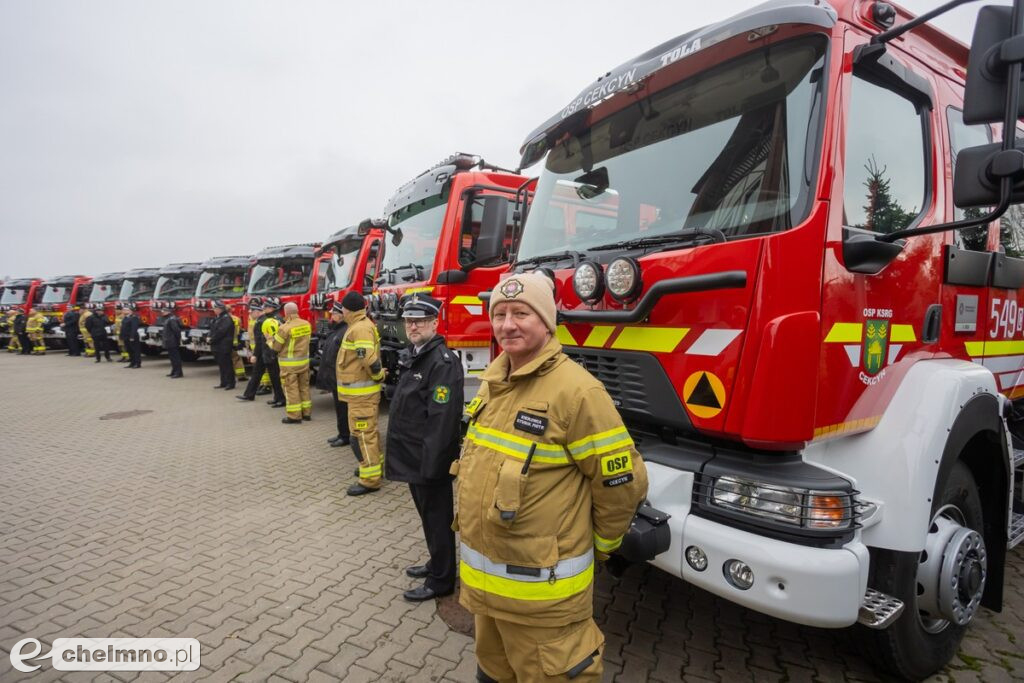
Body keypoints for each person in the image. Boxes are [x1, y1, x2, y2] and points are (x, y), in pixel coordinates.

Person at [455, 272, 649, 683]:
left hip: (545, 603)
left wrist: (601, 544)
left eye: (521, 313)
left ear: (547, 322)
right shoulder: (493, 381)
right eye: (501, 313)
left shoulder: (578, 393)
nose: (508, 324)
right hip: (487, 598)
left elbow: (622, 484)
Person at [385, 294, 463, 602]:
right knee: (427, 516)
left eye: (419, 321)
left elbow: (442, 420)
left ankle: (442, 579)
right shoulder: (416, 354)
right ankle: (436, 562)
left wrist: (432, 468)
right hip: (414, 457)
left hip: (429, 462)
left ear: (434, 322)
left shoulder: (442, 363)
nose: (412, 326)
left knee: (437, 518)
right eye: (408, 321)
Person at [336, 291, 385, 495]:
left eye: (343, 308)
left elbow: (368, 359)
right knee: (365, 434)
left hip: (362, 396)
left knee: (363, 435)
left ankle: (370, 479)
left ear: (348, 309)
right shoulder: (359, 326)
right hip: (359, 396)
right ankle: (372, 466)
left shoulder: (360, 328)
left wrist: (379, 375)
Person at [268, 301, 312, 423]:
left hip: (289, 367)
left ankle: (294, 416)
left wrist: (269, 339)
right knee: (304, 388)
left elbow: (276, 347)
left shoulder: (284, 328)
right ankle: (306, 413)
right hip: (304, 363)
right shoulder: (306, 324)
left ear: (286, 313)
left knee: (291, 390)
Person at [315, 300, 350, 447]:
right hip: (334, 376)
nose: (331, 316)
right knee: (339, 408)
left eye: (334, 313)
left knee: (343, 409)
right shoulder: (336, 330)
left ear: (342, 315)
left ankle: (345, 436)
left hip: (340, 377)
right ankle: (341, 433)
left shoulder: (345, 331)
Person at [237, 298, 271, 401]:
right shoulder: (262, 320)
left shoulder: (260, 322)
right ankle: (249, 394)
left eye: (251, 311)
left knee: (259, 374)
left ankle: (250, 395)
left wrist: (255, 355)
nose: (250, 313)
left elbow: (260, 341)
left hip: (263, 352)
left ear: (257, 312)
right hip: (264, 351)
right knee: (259, 374)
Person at [259, 298, 286, 407]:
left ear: (271, 308)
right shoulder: (273, 318)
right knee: (274, 378)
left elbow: (275, 338)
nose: (264, 309)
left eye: (265, 307)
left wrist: (272, 352)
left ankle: (281, 399)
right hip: (270, 352)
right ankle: (277, 397)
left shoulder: (274, 320)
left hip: (272, 353)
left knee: (276, 378)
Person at [209, 301, 236, 390]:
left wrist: (212, 339)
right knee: (221, 365)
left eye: (215, 308)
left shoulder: (226, 318)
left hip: (224, 345)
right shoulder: (217, 318)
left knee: (227, 365)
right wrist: (209, 336)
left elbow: (221, 332)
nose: (214, 310)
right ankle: (223, 382)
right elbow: (212, 329)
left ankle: (230, 383)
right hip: (217, 345)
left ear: (220, 309)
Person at [120, 304, 143, 368]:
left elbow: (134, 328)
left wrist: (132, 337)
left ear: (131, 311)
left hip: (132, 337)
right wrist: (121, 336)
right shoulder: (125, 317)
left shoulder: (134, 318)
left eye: (126, 310)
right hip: (126, 337)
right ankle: (132, 363)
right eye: (124, 310)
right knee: (129, 350)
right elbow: (123, 328)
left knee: (135, 350)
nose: (124, 311)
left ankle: (137, 363)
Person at [163, 310, 184, 378]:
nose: (162, 312)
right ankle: (174, 371)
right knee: (172, 358)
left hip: (172, 341)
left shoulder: (172, 319)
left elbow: (177, 330)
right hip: (169, 341)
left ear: (169, 311)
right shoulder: (169, 319)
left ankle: (178, 372)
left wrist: (177, 339)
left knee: (176, 358)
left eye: (164, 311)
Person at [229, 310, 246, 384]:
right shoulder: (237, 319)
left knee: (231, 359)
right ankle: (241, 375)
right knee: (237, 359)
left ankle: (235, 375)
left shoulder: (226, 319)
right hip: (236, 341)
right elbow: (240, 330)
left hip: (228, 342)